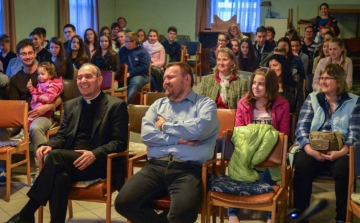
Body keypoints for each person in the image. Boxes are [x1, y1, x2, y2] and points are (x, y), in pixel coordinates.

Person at [4, 63, 129, 223]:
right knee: (60, 177)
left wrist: (94, 154)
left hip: (100, 163)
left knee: (55, 157)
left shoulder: (115, 105)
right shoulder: (71, 105)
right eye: (80, 77)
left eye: (88, 76)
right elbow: (62, 136)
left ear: (99, 80)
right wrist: (49, 145)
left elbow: (120, 142)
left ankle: (26, 214)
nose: (83, 80)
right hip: (70, 161)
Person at [115, 62, 219, 223]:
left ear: (186, 79)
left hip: (188, 169)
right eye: (164, 78)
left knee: (183, 212)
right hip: (155, 167)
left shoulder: (205, 105)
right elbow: (147, 135)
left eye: (170, 77)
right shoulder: (158, 105)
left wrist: (164, 126)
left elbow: (198, 130)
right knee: (123, 203)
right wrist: (179, 139)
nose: (165, 82)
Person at [293, 64, 359, 223]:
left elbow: (355, 131)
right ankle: (301, 216)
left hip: (340, 149)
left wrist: (342, 151)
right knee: (301, 165)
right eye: (321, 78)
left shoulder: (354, 101)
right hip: (314, 148)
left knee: (344, 169)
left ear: (338, 80)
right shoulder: (312, 98)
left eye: (327, 78)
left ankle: (341, 218)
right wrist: (309, 149)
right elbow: (302, 127)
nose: (322, 81)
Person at [232, 67, 290, 223]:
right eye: (254, 83)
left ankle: (271, 212)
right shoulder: (244, 103)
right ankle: (232, 212)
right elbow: (238, 131)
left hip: (271, 150)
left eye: (261, 84)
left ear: (270, 86)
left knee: (267, 175)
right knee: (238, 167)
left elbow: (283, 135)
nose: (255, 87)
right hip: (248, 149)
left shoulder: (282, 104)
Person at [1, 39, 62, 168]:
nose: (27, 57)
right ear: (18, 56)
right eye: (23, 54)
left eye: (30, 53)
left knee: (35, 128)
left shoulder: (45, 72)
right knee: (2, 126)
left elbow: (60, 97)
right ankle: (5, 168)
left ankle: (43, 168)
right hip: (22, 115)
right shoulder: (15, 79)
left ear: (35, 53)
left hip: (43, 114)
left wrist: (47, 107)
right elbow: (14, 104)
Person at [27, 62, 63, 128]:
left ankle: (29, 132)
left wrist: (38, 97)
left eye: (42, 74)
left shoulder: (52, 85)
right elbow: (36, 93)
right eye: (39, 74)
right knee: (27, 120)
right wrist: (31, 88)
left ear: (50, 75)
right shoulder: (41, 83)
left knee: (29, 119)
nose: (40, 76)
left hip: (46, 111)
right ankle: (28, 133)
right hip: (38, 108)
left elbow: (49, 98)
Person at [118, 32, 150, 104]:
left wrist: (130, 73)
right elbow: (117, 62)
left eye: (127, 41)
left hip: (140, 75)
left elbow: (144, 67)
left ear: (134, 42)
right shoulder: (122, 50)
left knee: (135, 83)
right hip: (124, 74)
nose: (124, 43)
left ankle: (125, 105)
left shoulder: (143, 52)